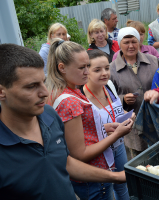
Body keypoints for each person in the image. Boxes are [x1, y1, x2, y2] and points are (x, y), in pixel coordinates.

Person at [0, 43, 128, 200]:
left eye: (43, 82)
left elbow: (66, 162)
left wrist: (117, 176)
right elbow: (79, 154)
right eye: (31, 86)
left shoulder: (49, 115)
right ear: (2, 92)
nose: (44, 92)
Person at [45, 39, 133, 200]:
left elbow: (74, 132)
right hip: (93, 179)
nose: (87, 71)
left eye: (87, 66)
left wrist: (104, 127)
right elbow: (80, 154)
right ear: (62, 68)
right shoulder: (69, 101)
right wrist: (116, 135)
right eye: (81, 67)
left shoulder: (64, 90)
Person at [82, 50, 131, 200]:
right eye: (97, 70)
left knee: (123, 185)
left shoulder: (109, 85)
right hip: (100, 154)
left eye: (106, 68)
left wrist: (128, 116)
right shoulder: (82, 98)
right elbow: (82, 133)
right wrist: (108, 131)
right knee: (107, 192)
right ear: (86, 71)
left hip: (119, 145)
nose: (104, 73)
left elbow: (116, 109)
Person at [111, 27, 159, 158]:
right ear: (119, 44)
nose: (131, 46)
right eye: (126, 42)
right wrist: (122, 99)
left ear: (139, 42)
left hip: (155, 120)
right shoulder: (112, 69)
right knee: (140, 161)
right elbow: (107, 97)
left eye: (134, 41)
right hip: (131, 126)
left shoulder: (153, 61)